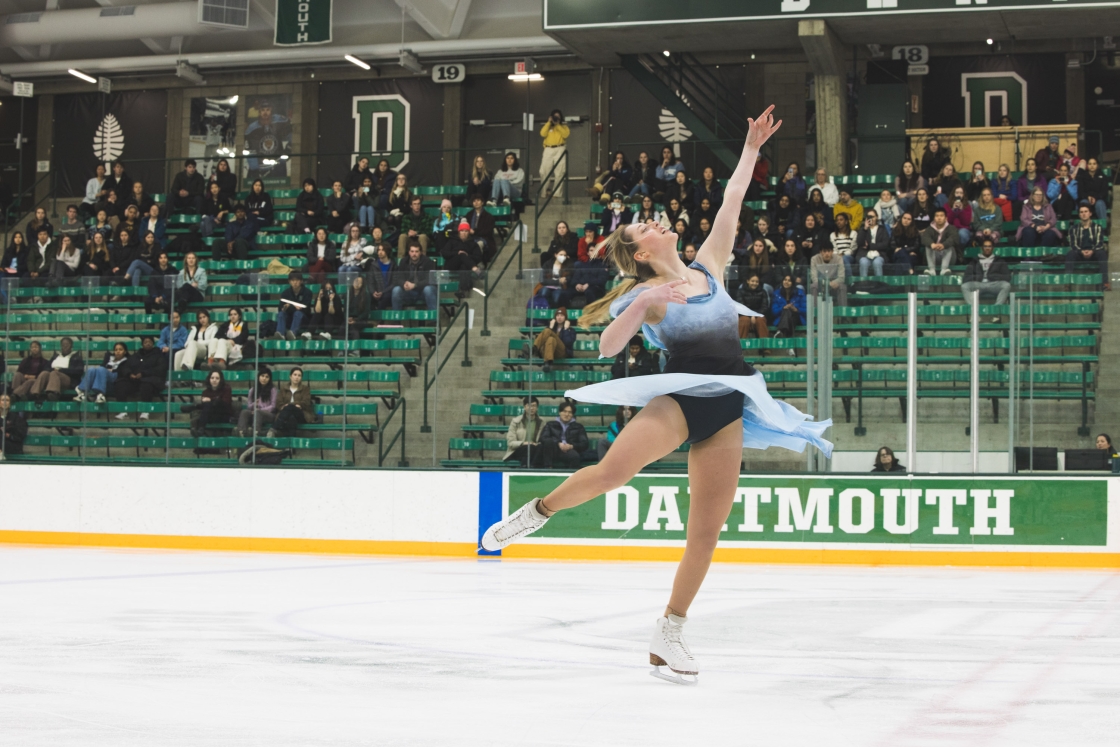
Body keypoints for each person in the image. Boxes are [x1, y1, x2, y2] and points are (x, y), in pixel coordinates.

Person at [481, 107, 832, 685]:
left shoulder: (708, 267)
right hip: (682, 397)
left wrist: (749, 149)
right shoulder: (645, 295)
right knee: (611, 474)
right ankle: (537, 513)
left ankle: (669, 631)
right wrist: (643, 305)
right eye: (642, 226)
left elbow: (732, 203)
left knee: (706, 531)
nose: (654, 222)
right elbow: (605, 346)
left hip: (729, 403)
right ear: (641, 251)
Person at [112, 336, 167, 420]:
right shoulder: (136, 355)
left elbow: (160, 369)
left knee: (146, 385)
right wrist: (129, 374)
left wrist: (144, 373)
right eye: (145, 342)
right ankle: (123, 411)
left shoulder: (158, 355)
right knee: (120, 384)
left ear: (153, 344)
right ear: (142, 344)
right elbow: (125, 366)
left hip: (151, 381)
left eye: (149, 342)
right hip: (135, 381)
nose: (147, 343)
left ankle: (145, 411)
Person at [961, 238, 1012, 321]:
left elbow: (1007, 276)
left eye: (989, 246)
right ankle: (975, 314)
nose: (987, 248)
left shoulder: (999, 261)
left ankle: (996, 313)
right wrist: (978, 278)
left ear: (993, 248)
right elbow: (966, 277)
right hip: (979, 284)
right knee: (964, 286)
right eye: (985, 246)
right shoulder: (974, 261)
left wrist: (992, 276)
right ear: (982, 248)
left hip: (994, 284)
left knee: (1006, 285)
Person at [539, 400, 589, 469]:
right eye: (564, 411)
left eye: (569, 412)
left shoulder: (578, 427)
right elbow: (543, 438)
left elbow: (584, 443)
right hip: (554, 449)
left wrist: (571, 446)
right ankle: (548, 469)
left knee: (575, 456)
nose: (566, 414)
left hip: (568, 450)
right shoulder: (550, 424)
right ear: (560, 412)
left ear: (572, 414)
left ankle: (571, 478)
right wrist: (558, 444)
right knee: (548, 442)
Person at [1066, 205, 1109, 282]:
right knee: (1070, 254)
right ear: (1079, 215)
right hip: (1080, 253)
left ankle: (1105, 283)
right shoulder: (1073, 229)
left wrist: (1092, 251)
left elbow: (1100, 243)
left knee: (1102, 254)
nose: (1084, 214)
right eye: (1081, 212)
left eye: (1086, 211)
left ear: (1090, 213)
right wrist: (1081, 251)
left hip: (1094, 253)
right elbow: (1073, 244)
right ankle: (1068, 282)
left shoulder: (1098, 227)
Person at [392, 240, 438, 311]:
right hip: (408, 292)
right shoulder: (403, 261)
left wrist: (415, 285)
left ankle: (434, 321)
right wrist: (404, 284)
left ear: (420, 253)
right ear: (409, 252)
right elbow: (398, 278)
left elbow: (430, 279)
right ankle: (396, 320)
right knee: (396, 290)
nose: (414, 254)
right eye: (412, 251)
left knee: (428, 289)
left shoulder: (427, 261)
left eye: (416, 251)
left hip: (422, 291)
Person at [189, 368, 233, 437]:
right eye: (212, 378)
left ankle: (195, 407)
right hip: (211, 415)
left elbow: (225, 403)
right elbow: (205, 408)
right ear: (209, 379)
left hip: (223, 415)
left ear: (220, 380)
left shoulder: (226, 389)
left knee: (217, 402)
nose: (214, 380)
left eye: (217, 378)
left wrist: (211, 400)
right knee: (207, 406)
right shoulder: (205, 392)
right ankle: (200, 430)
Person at [502, 397, 545, 468]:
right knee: (529, 448)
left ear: (537, 408)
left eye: (534, 406)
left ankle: (525, 469)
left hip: (535, 450)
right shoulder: (516, 421)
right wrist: (523, 443)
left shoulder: (541, 422)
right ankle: (531, 469)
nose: (531, 408)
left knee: (538, 449)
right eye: (529, 405)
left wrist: (536, 444)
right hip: (519, 450)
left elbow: (543, 439)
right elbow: (510, 443)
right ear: (524, 407)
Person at [441, 221, 483, 294]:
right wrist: (457, 253)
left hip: (465, 265)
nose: (464, 233)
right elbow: (444, 253)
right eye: (462, 231)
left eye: (466, 231)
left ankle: (463, 290)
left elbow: (478, 257)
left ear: (468, 232)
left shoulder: (473, 244)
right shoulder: (452, 241)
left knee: (464, 266)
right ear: (459, 232)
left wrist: (467, 256)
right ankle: (475, 269)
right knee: (461, 254)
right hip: (451, 264)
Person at [271, 367, 313, 437]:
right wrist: (284, 406)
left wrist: (290, 405)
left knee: (290, 407)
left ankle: (274, 428)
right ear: (290, 376)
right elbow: (278, 402)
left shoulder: (305, 389)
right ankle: (290, 446)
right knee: (291, 418)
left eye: (299, 375)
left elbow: (306, 402)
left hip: (301, 413)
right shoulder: (283, 389)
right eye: (295, 375)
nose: (297, 377)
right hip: (286, 414)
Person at [533, 307, 577, 373]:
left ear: (565, 318)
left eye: (562, 316)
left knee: (548, 331)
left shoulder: (571, 330)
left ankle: (534, 349)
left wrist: (565, 329)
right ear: (555, 317)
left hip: (562, 352)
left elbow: (568, 343)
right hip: (549, 352)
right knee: (550, 339)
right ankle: (547, 363)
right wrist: (551, 327)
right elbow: (544, 341)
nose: (559, 317)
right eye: (557, 315)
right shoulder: (551, 327)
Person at [538, 109, 570, 199]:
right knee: (543, 171)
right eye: (554, 116)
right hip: (548, 149)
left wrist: (558, 125)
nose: (556, 118)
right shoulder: (548, 126)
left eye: (558, 117)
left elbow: (566, 135)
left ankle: (557, 194)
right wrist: (549, 122)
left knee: (560, 172)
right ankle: (544, 193)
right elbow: (542, 134)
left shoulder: (564, 126)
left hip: (560, 148)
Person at [238, 367, 278, 437]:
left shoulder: (273, 390)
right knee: (244, 412)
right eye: (262, 376)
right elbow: (249, 406)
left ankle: (256, 433)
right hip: (255, 413)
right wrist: (254, 404)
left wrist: (259, 410)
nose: (264, 378)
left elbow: (273, 406)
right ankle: (242, 432)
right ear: (259, 377)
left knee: (258, 413)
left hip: (269, 415)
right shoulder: (252, 390)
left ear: (269, 379)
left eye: (267, 377)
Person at [920, 208, 959, 275]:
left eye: (941, 216)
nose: (939, 218)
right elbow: (925, 238)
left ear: (946, 218)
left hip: (949, 257)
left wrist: (943, 245)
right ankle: (931, 270)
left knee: (949, 246)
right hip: (934, 256)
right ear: (934, 218)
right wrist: (932, 244)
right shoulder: (929, 229)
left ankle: (944, 270)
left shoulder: (951, 228)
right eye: (937, 216)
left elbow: (954, 238)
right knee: (928, 246)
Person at [572, 238, 609, 307]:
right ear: (588, 253)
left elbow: (601, 280)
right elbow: (575, 278)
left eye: (595, 250)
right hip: (582, 288)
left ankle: (592, 312)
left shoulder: (602, 265)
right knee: (565, 293)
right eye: (591, 250)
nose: (593, 252)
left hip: (597, 288)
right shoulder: (581, 265)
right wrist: (577, 284)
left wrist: (589, 284)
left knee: (589, 291)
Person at [276, 271, 313, 340]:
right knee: (281, 314)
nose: (295, 282)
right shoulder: (285, 293)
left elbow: (306, 310)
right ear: (289, 282)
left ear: (301, 281)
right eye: (292, 280)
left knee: (298, 313)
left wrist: (290, 306)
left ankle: (293, 333)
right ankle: (281, 334)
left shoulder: (307, 292)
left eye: (297, 280)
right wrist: (293, 307)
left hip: (303, 320)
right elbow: (280, 309)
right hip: (289, 318)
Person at [771, 274, 806, 340]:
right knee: (788, 311)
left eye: (789, 280)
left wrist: (796, 309)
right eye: (785, 280)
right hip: (781, 318)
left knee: (790, 311)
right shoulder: (776, 293)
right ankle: (791, 347)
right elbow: (774, 311)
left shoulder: (800, 293)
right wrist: (783, 308)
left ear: (792, 283)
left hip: (797, 317)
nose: (786, 282)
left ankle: (781, 331)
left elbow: (806, 309)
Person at [737, 273, 771, 340]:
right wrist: (751, 315)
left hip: (758, 315)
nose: (754, 283)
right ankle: (740, 346)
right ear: (748, 281)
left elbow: (764, 307)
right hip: (745, 315)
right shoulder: (740, 292)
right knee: (744, 320)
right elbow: (740, 307)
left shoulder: (763, 292)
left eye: (757, 282)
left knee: (761, 320)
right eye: (752, 281)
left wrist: (754, 315)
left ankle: (765, 347)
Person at [855, 211, 888, 278]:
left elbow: (885, 244)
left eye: (872, 217)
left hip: (879, 254)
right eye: (868, 217)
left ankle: (880, 285)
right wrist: (865, 228)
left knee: (877, 263)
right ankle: (863, 285)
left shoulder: (882, 229)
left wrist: (869, 246)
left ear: (876, 217)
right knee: (863, 262)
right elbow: (860, 243)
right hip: (865, 255)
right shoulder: (863, 229)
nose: (871, 218)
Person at [466, 194, 496, 263]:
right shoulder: (469, 215)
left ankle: (478, 262)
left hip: (484, 239)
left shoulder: (489, 217)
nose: (476, 202)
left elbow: (488, 231)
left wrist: (475, 232)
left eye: (478, 200)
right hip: (470, 237)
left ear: (482, 202)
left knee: (478, 244)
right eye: (474, 201)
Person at [367, 243, 396, 310]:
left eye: (383, 250)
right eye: (379, 250)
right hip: (376, 292)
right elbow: (370, 281)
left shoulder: (393, 266)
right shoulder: (373, 265)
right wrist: (373, 292)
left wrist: (383, 292)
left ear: (387, 251)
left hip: (388, 292)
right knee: (367, 296)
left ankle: (378, 319)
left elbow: (395, 282)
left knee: (386, 297)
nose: (380, 252)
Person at [0, 393, 28, 457]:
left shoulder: (16, 418)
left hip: (12, 445)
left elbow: (20, 434)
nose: (5, 402)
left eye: (7, 400)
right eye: (3, 400)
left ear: (9, 404)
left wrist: (9, 435)